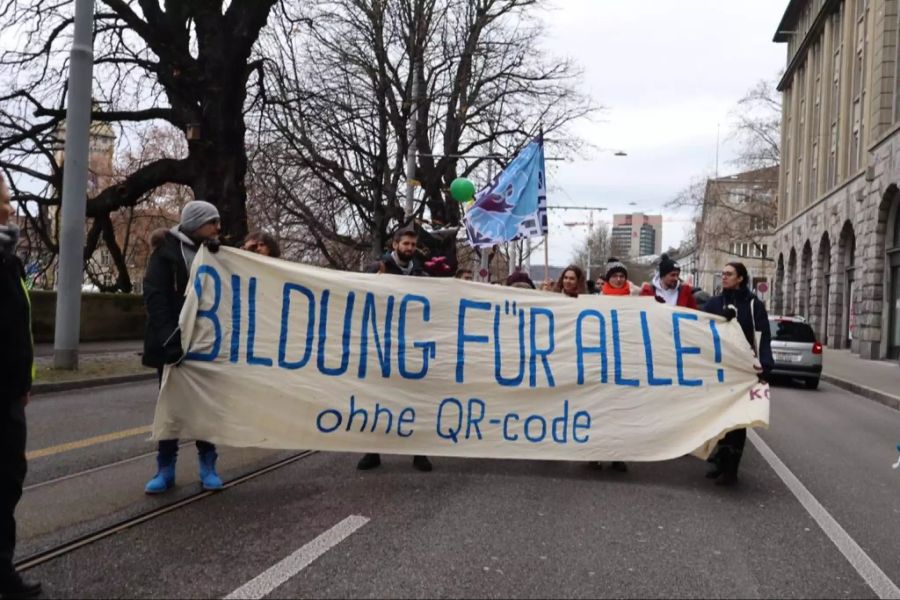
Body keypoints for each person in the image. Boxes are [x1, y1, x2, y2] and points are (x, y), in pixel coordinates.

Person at [142, 200, 224, 494]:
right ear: (195, 224)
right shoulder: (165, 254)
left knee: (203, 406)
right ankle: (165, 468)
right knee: (171, 407)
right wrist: (169, 339)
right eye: (212, 222)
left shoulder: (215, 253)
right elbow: (156, 298)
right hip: (172, 345)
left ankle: (208, 465)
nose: (217, 228)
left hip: (204, 344)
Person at [357, 227, 432, 473]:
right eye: (406, 244)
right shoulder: (379, 268)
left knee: (414, 399)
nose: (410, 248)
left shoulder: (421, 273)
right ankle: (373, 451)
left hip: (411, 345)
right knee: (378, 398)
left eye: (413, 245)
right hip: (382, 344)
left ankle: (419, 451)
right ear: (396, 244)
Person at [0, 175, 42, 598]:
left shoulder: (8, 258)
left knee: (8, 482)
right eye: (5, 201)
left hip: (9, 395)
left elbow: (17, 328)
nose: (10, 208)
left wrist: (23, 382)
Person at [702, 262, 774, 486]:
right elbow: (700, 329)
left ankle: (731, 468)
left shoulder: (753, 305)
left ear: (740, 278)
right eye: (722, 273)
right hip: (718, 370)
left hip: (743, 371)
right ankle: (719, 461)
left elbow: (763, 335)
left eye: (729, 274)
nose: (724, 277)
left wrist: (765, 366)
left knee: (738, 421)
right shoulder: (714, 303)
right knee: (718, 416)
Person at [593, 257, 638, 473]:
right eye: (615, 276)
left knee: (621, 411)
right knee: (600, 409)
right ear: (608, 278)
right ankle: (597, 453)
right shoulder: (596, 299)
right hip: (602, 361)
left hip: (626, 360)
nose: (619, 280)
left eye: (622, 276)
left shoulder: (637, 296)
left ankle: (619, 455)